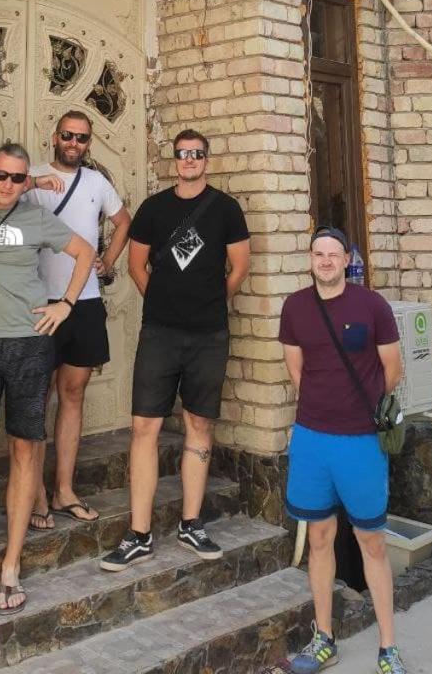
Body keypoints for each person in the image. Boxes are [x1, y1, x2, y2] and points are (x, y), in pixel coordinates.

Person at [0, 110, 95, 617]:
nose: (8, 185)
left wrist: (65, 304)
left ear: (24, 180)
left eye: (17, 177)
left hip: (30, 345)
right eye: (0, 175)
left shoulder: (35, 218)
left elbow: (84, 252)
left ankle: (11, 563)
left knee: (25, 450)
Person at [101, 128, 249, 571]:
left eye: (197, 154)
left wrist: (211, 302)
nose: (189, 160)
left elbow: (239, 266)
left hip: (209, 335)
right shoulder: (154, 208)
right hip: (160, 334)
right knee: (144, 426)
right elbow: (136, 265)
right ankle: (139, 534)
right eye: (183, 154)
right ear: (174, 160)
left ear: (206, 159)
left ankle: (191, 523)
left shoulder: (226, 209)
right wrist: (164, 302)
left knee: (199, 424)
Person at [279, 226, 406, 674]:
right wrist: (323, 405)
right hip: (312, 439)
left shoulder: (373, 306)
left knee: (372, 541)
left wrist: (356, 406)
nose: (326, 261)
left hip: (361, 441)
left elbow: (392, 370)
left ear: (347, 259)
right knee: (318, 538)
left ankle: (388, 648)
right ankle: (324, 640)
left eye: (334, 254)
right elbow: (296, 370)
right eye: (319, 253)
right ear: (310, 259)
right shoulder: (295, 307)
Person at [25, 109, 132, 528]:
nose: (74, 143)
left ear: (89, 143)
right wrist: (31, 183)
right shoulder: (32, 176)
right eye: (68, 135)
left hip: (84, 302)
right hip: (40, 301)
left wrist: (108, 261)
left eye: (82, 138)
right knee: (35, 398)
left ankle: (64, 490)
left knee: (73, 394)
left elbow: (123, 221)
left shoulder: (96, 183)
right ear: (55, 137)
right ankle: (35, 495)